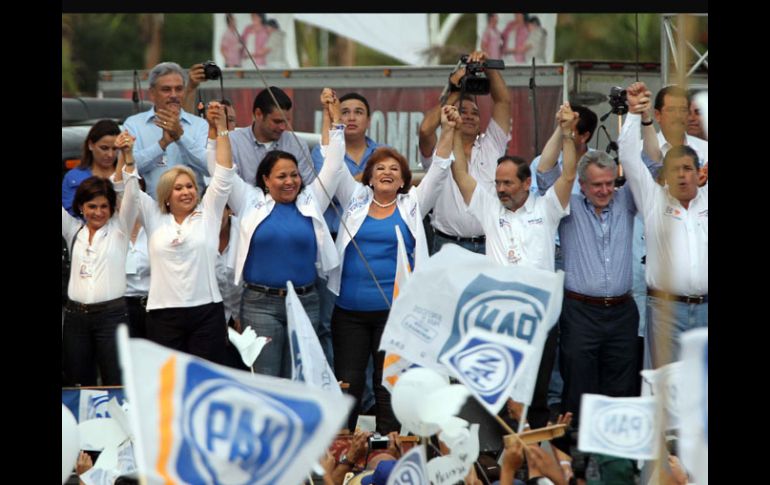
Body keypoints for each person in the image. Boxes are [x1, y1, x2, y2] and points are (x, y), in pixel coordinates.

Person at [329, 105, 460, 434]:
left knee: (388, 385)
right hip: (349, 312)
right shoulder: (354, 199)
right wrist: (332, 119)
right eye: (380, 168)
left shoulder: (413, 203)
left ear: (403, 179)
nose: (386, 173)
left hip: (396, 314)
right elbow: (333, 163)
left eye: (394, 169)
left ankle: (388, 449)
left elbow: (441, 168)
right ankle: (344, 448)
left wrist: (449, 130)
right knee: (349, 384)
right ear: (369, 177)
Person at [451, 103, 578, 430]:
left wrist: (566, 135)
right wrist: (451, 132)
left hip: (540, 315)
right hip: (499, 316)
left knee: (537, 391)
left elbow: (568, 175)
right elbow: (461, 173)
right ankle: (499, 457)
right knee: (499, 389)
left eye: (508, 183)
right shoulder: (489, 207)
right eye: (498, 183)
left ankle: (533, 460)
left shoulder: (548, 207)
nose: (501, 189)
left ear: (526, 184)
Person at [210, 89, 344, 378]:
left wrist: (335, 124)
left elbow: (333, 166)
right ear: (265, 180)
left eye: (294, 175)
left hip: (305, 301)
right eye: (281, 176)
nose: (290, 181)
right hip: (260, 304)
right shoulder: (249, 200)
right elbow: (222, 172)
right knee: (267, 380)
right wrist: (219, 130)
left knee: (301, 378)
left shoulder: (311, 200)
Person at [121, 101, 234, 364]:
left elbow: (224, 174)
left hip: (207, 312)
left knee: (204, 384)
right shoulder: (153, 215)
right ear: (166, 195)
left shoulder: (208, 213)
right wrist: (127, 157)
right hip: (163, 315)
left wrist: (222, 129)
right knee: (168, 386)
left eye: (190, 186)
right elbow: (131, 191)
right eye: (178, 188)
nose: (186, 192)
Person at [537, 148, 640, 430]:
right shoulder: (566, 205)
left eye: (610, 182)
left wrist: (640, 118)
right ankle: (580, 464)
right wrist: (564, 132)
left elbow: (651, 169)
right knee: (578, 388)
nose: (605, 190)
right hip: (579, 312)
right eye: (597, 184)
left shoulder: (626, 201)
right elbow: (545, 173)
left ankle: (616, 461)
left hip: (621, 311)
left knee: (620, 389)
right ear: (582, 184)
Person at [620, 82, 707, 367]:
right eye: (675, 170)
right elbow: (631, 157)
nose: (682, 176)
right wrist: (635, 113)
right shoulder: (653, 193)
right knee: (664, 388)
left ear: (700, 172)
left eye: (688, 169)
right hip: (666, 309)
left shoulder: (704, 179)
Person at [311, 90, 385, 365]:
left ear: (368, 120)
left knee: (371, 318)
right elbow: (327, 181)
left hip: (371, 243)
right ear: (335, 118)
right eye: (345, 112)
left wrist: (353, 178)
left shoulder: (383, 154)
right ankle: (335, 383)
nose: (351, 117)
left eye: (358, 112)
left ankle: (367, 395)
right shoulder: (324, 151)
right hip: (331, 242)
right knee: (329, 321)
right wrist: (362, 180)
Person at [418, 49, 511, 255]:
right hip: (447, 245)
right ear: (450, 114)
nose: (469, 116)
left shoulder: (492, 145)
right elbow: (425, 130)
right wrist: (454, 93)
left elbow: (503, 102)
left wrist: (487, 67)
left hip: (490, 244)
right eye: (462, 111)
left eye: (475, 113)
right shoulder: (439, 150)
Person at [62, 175, 132, 386]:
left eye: (104, 206)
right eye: (92, 206)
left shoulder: (120, 230)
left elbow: (132, 197)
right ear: (81, 207)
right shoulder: (73, 231)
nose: (99, 212)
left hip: (112, 317)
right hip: (76, 319)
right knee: (78, 383)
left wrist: (128, 160)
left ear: (112, 207)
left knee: (116, 381)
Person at [123, 62, 209, 199]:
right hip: (153, 212)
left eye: (179, 89)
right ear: (152, 93)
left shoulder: (200, 125)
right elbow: (129, 169)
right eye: (166, 89)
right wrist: (162, 144)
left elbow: (210, 168)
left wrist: (180, 137)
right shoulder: (134, 124)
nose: (174, 95)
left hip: (194, 212)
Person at [229, 86, 315, 187]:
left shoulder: (297, 144)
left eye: (286, 121)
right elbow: (229, 185)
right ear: (258, 114)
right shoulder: (232, 142)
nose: (283, 127)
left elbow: (309, 188)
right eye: (277, 121)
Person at [62, 120, 121, 215]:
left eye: (115, 149)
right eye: (104, 148)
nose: (110, 154)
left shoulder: (126, 175)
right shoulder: (74, 178)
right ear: (90, 145)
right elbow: (69, 215)